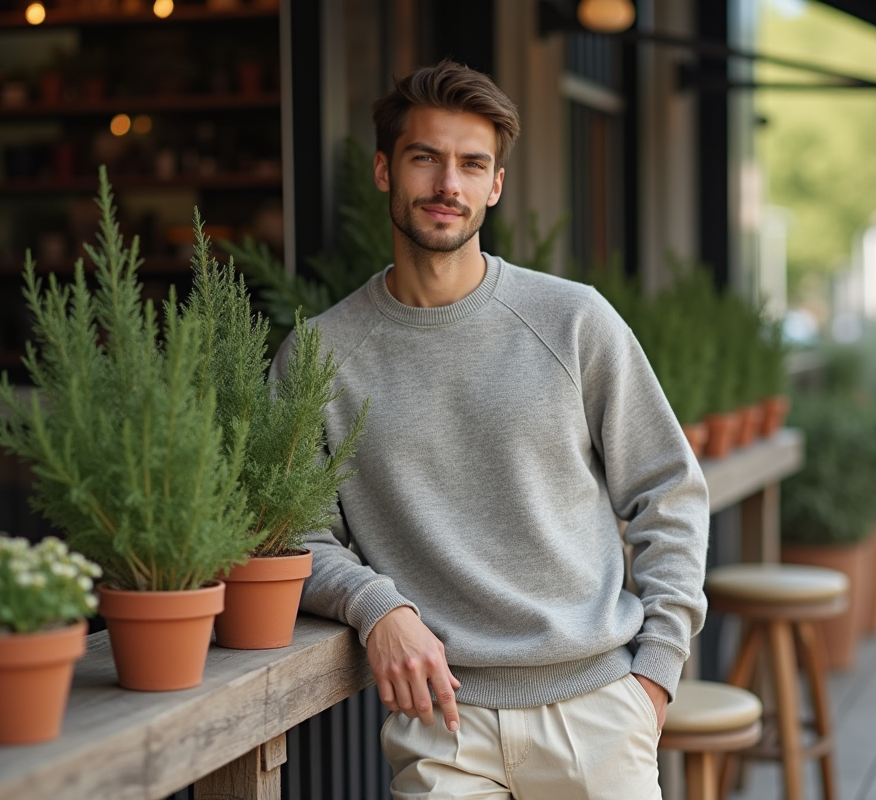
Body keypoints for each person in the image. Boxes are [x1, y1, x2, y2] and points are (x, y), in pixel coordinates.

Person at [277, 59, 709, 799]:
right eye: (426, 158)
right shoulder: (317, 357)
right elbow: (296, 533)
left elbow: (668, 491)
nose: (449, 184)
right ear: (385, 171)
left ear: (495, 186)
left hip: (597, 714)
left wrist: (655, 680)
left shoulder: (574, 322)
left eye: (472, 165)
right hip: (443, 727)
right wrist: (378, 607)